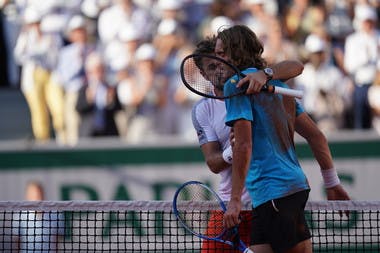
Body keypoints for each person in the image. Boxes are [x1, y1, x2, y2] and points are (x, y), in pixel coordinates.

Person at [216, 25, 350, 253]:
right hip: (284, 191)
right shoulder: (279, 86)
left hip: (274, 193)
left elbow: (244, 145)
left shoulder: (234, 86)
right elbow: (317, 136)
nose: (217, 60)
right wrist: (332, 182)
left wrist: (235, 199)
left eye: (221, 54)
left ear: (235, 53)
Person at [191, 35, 305, 252]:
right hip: (229, 207)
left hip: (267, 201)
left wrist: (266, 74)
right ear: (203, 74)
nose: (219, 70)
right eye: (212, 67)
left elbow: (296, 65)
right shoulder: (202, 110)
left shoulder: (257, 86)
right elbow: (213, 163)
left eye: (221, 63)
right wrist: (231, 152)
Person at [11, 181, 65, 252]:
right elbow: (17, 242)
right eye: (33, 195)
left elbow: (57, 241)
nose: (36, 198)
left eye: (38, 194)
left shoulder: (56, 215)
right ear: (27, 196)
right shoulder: (19, 216)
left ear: (43, 194)